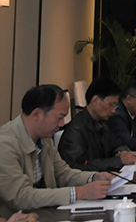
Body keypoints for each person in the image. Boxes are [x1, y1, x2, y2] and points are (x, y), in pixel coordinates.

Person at [0, 85, 114, 214]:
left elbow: (62, 173)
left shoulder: (44, 138)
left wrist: (93, 177)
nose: (62, 124)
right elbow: (21, 196)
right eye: (59, 118)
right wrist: (79, 193)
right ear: (37, 114)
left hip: (44, 212)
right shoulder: (5, 144)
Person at [59, 78, 136, 171]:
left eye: (115, 106)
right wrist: (118, 161)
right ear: (95, 101)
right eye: (111, 105)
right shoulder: (75, 130)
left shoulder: (103, 121)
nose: (113, 111)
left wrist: (121, 152)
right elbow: (78, 165)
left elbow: (117, 143)